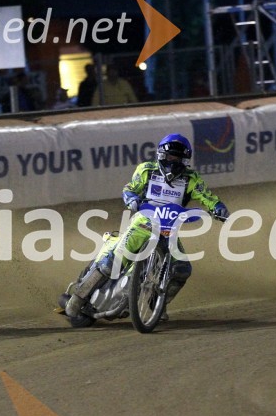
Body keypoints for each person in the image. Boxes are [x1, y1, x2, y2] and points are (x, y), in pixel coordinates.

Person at [65, 133, 229, 318]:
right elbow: (130, 188)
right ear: (161, 155)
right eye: (169, 157)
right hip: (143, 223)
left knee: (181, 270)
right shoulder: (146, 170)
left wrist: (218, 208)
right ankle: (79, 296)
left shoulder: (192, 179)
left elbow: (207, 197)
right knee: (114, 261)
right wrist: (132, 198)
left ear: (185, 160)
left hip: (169, 231)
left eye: (178, 158)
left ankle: (157, 302)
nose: (173, 161)